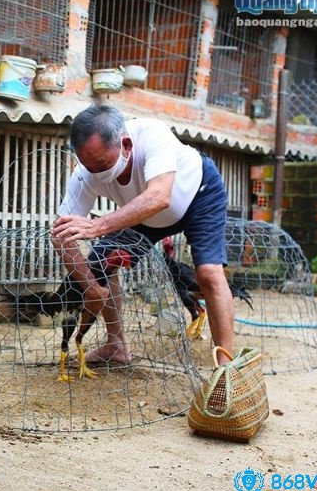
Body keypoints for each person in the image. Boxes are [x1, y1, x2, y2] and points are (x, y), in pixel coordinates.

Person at [51, 104, 235, 365]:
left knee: (208, 274)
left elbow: (159, 196)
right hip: (142, 212)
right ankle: (116, 346)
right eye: (87, 165)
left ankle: (226, 366)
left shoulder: (152, 133)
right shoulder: (86, 174)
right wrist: (90, 287)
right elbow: (60, 234)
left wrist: (98, 226)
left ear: (126, 145)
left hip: (197, 195)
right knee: (105, 260)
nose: (95, 173)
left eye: (102, 164)